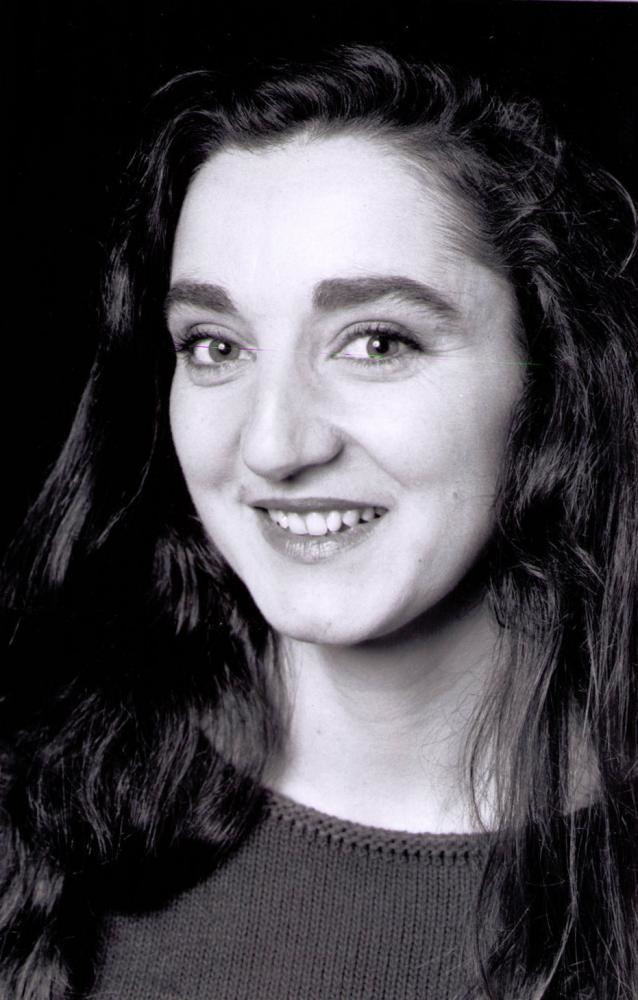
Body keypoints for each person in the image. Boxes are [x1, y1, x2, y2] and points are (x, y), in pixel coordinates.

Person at [1, 43, 636, 1000]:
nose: (272, 444)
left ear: (550, 374)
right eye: (215, 345)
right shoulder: (36, 824)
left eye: (376, 341)